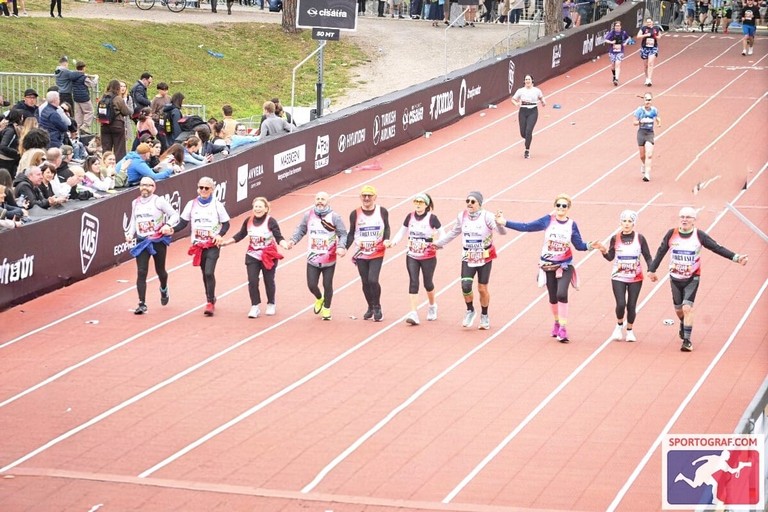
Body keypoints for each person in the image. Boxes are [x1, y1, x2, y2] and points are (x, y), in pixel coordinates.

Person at [495, 194, 600, 342]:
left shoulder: (571, 225)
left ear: (568, 208)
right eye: (558, 205)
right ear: (554, 207)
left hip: (565, 265)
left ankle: (563, 328)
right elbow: (527, 227)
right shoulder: (547, 221)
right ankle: (557, 322)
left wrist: (590, 246)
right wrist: (504, 222)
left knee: (561, 294)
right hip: (548, 265)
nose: (561, 208)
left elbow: (579, 245)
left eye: (564, 206)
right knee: (552, 297)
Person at [647, 207, 748, 352]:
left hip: (692, 278)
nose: (684, 219)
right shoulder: (671, 234)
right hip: (675, 278)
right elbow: (661, 251)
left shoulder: (699, 235)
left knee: (687, 307)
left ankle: (687, 341)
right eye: (682, 216)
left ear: (694, 220)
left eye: (688, 217)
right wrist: (652, 269)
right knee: (679, 310)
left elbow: (717, 248)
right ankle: (683, 323)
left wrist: (736, 257)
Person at [435, 191, 506, 330]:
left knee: (482, 288)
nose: (469, 204)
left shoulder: (488, 216)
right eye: (467, 201)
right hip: (468, 256)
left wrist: (499, 224)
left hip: (484, 256)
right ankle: (470, 310)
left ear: (479, 203)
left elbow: (502, 233)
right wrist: (438, 243)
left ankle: (484, 315)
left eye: (473, 201)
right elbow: (453, 232)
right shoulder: (462, 216)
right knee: (466, 286)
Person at [222, 197, 289, 318]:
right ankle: (255, 306)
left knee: (269, 280)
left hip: (268, 255)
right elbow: (241, 234)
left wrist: (285, 244)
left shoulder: (271, 221)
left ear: (266, 209)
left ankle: (271, 303)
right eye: (255, 207)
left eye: (260, 207)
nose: (257, 209)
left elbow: (278, 237)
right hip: (252, 255)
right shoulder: (248, 220)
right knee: (252, 281)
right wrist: (227, 242)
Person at [172, 177, 231, 316]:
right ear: (197, 188)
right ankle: (210, 297)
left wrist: (219, 235)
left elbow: (226, 223)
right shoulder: (191, 204)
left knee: (209, 272)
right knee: (205, 273)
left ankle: (210, 302)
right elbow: (183, 223)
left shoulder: (217, 205)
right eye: (201, 188)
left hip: (212, 245)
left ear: (212, 190)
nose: (203, 190)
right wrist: (172, 230)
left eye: (206, 188)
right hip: (198, 245)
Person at [285, 191, 348, 320]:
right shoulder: (308, 215)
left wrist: (341, 247)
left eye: (323, 199)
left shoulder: (334, 217)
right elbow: (301, 230)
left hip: (329, 258)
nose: (320, 201)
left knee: (327, 284)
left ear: (328, 201)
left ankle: (327, 309)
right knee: (312, 285)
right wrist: (293, 241)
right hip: (313, 258)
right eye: (318, 199)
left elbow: (343, 234)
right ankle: (319, 298)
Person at [388, 192, 444, 325]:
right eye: (416, 202)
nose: (418, 205)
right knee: (413, 281)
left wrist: (439, 243)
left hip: (428, 256)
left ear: (426, 204)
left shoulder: (432, 218)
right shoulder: (410, 217)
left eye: (421, 202)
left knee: (427, 283)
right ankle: (413, 312)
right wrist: (393, 242)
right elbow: (401, 231)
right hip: (412, 254)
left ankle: (432, 306)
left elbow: (443, 232)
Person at [125, 177, 179, 314]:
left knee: (160, 270)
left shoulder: (158, 201)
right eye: (142, 185)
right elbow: (133, 221)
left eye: (148, 185)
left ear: (153, 188)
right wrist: (129, 234)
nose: (145, 188)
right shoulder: (135, 203)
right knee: (141, 271)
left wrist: (167, 225)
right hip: (142, 241)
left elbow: (174, 215)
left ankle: (164, 288)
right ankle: (142, 303)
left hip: (157, 240)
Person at [598, 210, 653, 342]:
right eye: (624, 221)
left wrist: (652, 270)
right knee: (621, 304)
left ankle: (629, 331)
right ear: (620, 222)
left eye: (629, 221)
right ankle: (619, 325)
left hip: (635, 277)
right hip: (618, 277)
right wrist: (603, 251)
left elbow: (648, 256)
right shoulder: (615, 238)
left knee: (631, 305)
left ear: (634, 223)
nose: (627, 224)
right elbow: (610, 257)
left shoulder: (640, 238)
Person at [346, 185, 390, 322]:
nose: (366, 198)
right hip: (361, 253)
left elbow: (387, 227)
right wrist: (343, 247)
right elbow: (351, 233)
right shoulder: (355, 214)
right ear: (360, 197)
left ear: (374, 197)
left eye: (369, 196)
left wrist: (387, 239)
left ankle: (377, 307)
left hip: (377, 252)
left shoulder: (382, 211)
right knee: (365, 281)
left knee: (373, 279)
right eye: (364, 196)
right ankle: (370, 306)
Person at [510, 74, 546, 159]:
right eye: (526, 79)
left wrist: (543, 102)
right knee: (523, 133)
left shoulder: (536, 90)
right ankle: (528, 138)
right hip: (523, 112)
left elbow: (541, 97)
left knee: (529, 130)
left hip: (533, 111)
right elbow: (513, 99)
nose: (527, 81)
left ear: (532, 81)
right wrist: (516, 104)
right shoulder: (520, 90)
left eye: (529, 79)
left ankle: (527, 150)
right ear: (524, 81)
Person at [99, 79, 133, 161]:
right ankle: (119, 166)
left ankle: (105, 165)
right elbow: (126, 111)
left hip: (104, 125)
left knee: (106, 148)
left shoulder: (102, 97)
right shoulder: (118, 98)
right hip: (117, 125)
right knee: (119, 148)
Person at [633, 93, 661, 183]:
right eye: (646, 100)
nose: (647, 102)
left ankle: (647, 174)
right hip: (641, 133)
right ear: (644, 100)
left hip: (649, 133)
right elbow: (634, 122)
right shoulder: (639, 111)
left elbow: (657, 118)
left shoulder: (654, 110)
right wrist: (641, 121)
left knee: (649, 154)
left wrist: (658, 122)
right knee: (642, 156)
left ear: (651, 101)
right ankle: (644, 165)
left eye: (649, 100)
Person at [604, 20, 630, 86]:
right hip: (612, 51)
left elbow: (628, 38)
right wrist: (611, 42)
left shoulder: (623, 33)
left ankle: (617, 79)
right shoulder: (612, 33)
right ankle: (614, 75)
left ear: (621, 26)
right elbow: (606, 40)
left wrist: (625, 43)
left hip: (620, 51)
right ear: (614, 27)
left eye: (618, 26)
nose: (617, 27)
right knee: (613, 66)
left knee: (618, 64)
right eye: (616, 26)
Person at [637, 18, 661, 87]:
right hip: (645, 48)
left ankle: (649, 79)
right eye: (647, 22)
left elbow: (659, 36)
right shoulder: (643, 28)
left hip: (653, 48)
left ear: (652, 22)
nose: (649, 23)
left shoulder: (656, 28)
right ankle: (647, 78)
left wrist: (656, 37)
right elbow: (638, 36)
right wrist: (645, 35)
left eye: (650, 22)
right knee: (645, 65)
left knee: (650, 63)